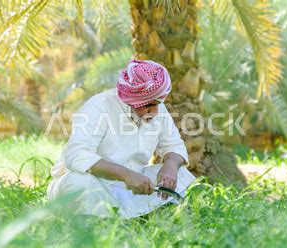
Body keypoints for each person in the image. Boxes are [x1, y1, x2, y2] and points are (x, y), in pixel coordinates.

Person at [47, 59, 196, 218]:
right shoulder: (99, 106)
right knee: (76, 183)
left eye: (158, 103)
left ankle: (133, 215)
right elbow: (76, 155)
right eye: (149, 106)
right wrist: (126, 175)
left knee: (179, 172)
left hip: (134, 186)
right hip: (96, 183)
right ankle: (118, 218)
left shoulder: (156, 107)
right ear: (132, 101)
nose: (155, 111)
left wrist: (171, 166)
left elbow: (174, 145)